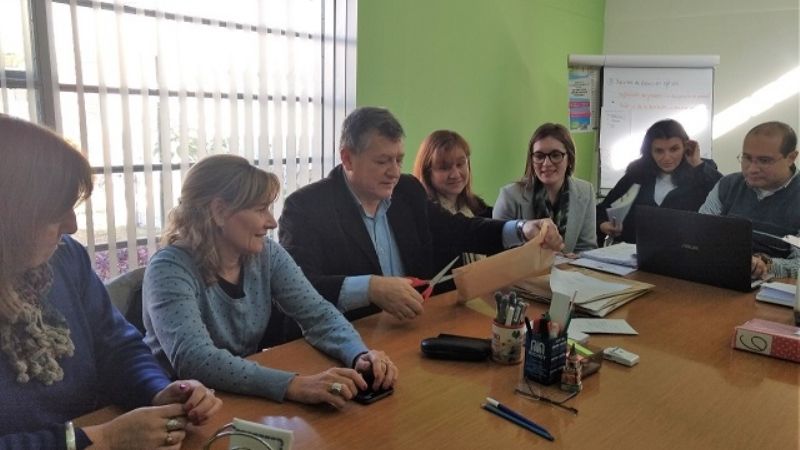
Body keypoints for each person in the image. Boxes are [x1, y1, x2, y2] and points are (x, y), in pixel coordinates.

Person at [0, 115, 221, 450]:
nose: (72, 226)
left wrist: (157, 391)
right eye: (54, 212)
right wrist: (104, 438)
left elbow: (116, 347)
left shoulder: (65, 257)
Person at [278, 107, 564, 335]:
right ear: (348, 159)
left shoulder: (407, 190)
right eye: (382, 161)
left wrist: (522, 228)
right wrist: (370, 288)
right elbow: (297, 288)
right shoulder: (305, 208)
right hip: (350, 338)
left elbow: (458, 229)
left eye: (398, 160)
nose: (394, 172)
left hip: (415, 330)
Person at [142, 154, 397, 408]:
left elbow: (318, 315)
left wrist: (358, 354)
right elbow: (196, 360)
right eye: (260, 209)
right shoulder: (169, 269)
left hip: (244, 394)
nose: (272, 222)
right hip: (183, 407)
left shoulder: (266, 254)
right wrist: (293, 385)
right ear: (219, 211)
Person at [597, 119, 722, 244]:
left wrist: (697, 164)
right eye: (659, 151)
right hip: (631, 250)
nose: (667, 158)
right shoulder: (636, 174)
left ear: (685, 148)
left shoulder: (702, 173)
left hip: (682, 250)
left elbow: (724, 194)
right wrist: (603, 224)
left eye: (674, 149)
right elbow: (602, 209)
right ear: (649, 151)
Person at [700, 121, 799, 278]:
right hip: (720, 275)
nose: (751, 169)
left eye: (764, 160)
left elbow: (798, 264)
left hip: (774, 286)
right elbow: (699, 234)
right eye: (746, 158)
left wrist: (764, 265)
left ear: (791, 158)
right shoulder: (727, 185)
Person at [493, 123, 597, 255]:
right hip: (524, 268)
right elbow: (498, 252)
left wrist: (573, 259)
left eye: (555, 155)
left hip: (567, 268)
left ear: (569, 158)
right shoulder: (509, 196)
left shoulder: (586, 191)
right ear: (531, 160)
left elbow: (586, 248)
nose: (546, 163)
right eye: (539, 156)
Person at [412, 129, 492, 218]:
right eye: (444, 168)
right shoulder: (422, 213)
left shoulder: (478, 206)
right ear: (426, 172)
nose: (455, 175)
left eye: (460, 164)